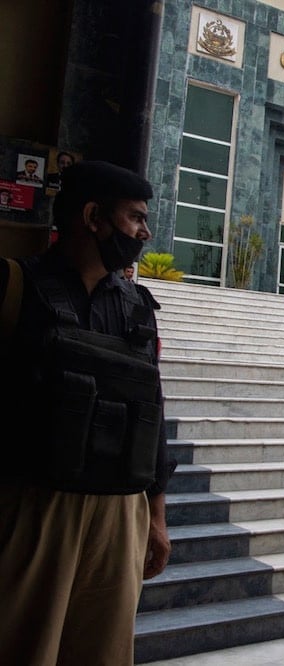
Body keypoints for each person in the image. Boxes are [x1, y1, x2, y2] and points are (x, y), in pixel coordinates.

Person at [0, 161, 171, 664]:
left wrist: (155, 517)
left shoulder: (138, 306)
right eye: (135, 218)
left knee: (104, 650)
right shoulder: (15, 287)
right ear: (93, 216)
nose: (144, 232)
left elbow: (154, 411)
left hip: (120, 512)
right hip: (33, 505)